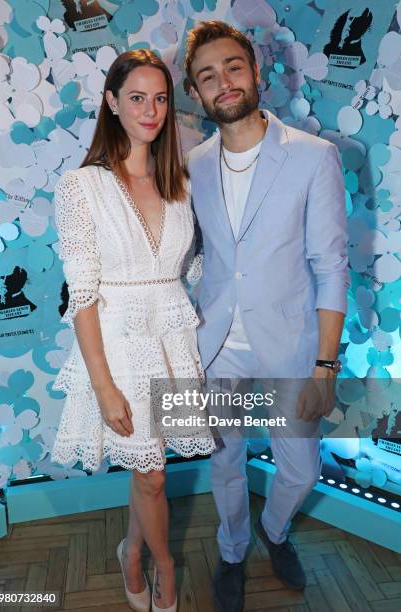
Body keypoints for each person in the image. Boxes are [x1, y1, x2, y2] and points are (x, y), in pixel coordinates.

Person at [184, 21, 349, 612]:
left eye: (232, 67)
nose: (222, 82)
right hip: (217, 343)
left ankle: (274, 533)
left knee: (300, 470)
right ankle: (232, 553)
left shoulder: (313, 156)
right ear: (197, 93)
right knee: (224, 459)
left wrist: (324, 367)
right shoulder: (194, 164)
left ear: (254, 72)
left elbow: (331, 268)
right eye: (207, 76)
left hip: (290, 346)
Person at [52, 49, 215, 612]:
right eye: (137, 97)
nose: (150, 110)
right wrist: (103, 385)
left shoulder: (182, 181)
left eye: (161, 98)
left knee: (149, 470)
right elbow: (83, 293)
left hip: (172, 342)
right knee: (152, 474)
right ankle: (160, 565)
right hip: (119, 348)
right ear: (112, 103)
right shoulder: (82, 187)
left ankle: (130, 548)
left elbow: (194, 269)